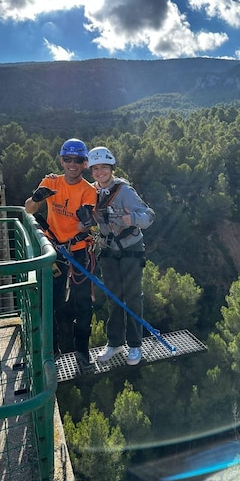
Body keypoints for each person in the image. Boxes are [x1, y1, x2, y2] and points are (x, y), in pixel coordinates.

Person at [24, 138, 97, 363]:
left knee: (83, 302)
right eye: (68, 159)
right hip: (54, 252)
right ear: (61, 161)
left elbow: (84, 224)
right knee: (49, 301)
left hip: (78, 251)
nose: (72, 164)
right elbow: (28, 209)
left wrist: (86, 220)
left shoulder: (88, 191)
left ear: (85, 163)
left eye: (77, 160)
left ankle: (82, 350)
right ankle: (51, 349)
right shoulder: (51, 182)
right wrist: (37, 198)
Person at [88, 146, 155, 366]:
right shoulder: (91, 192)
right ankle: (115, 342)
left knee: (133, 297)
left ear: (111, 168)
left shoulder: (124, 191)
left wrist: (133, 219)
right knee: (113, 298)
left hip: (130, 250)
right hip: (108, 251)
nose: (100, 172)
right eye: (95, 168)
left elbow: (149, 215)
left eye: (104, 167)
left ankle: (135, 345)